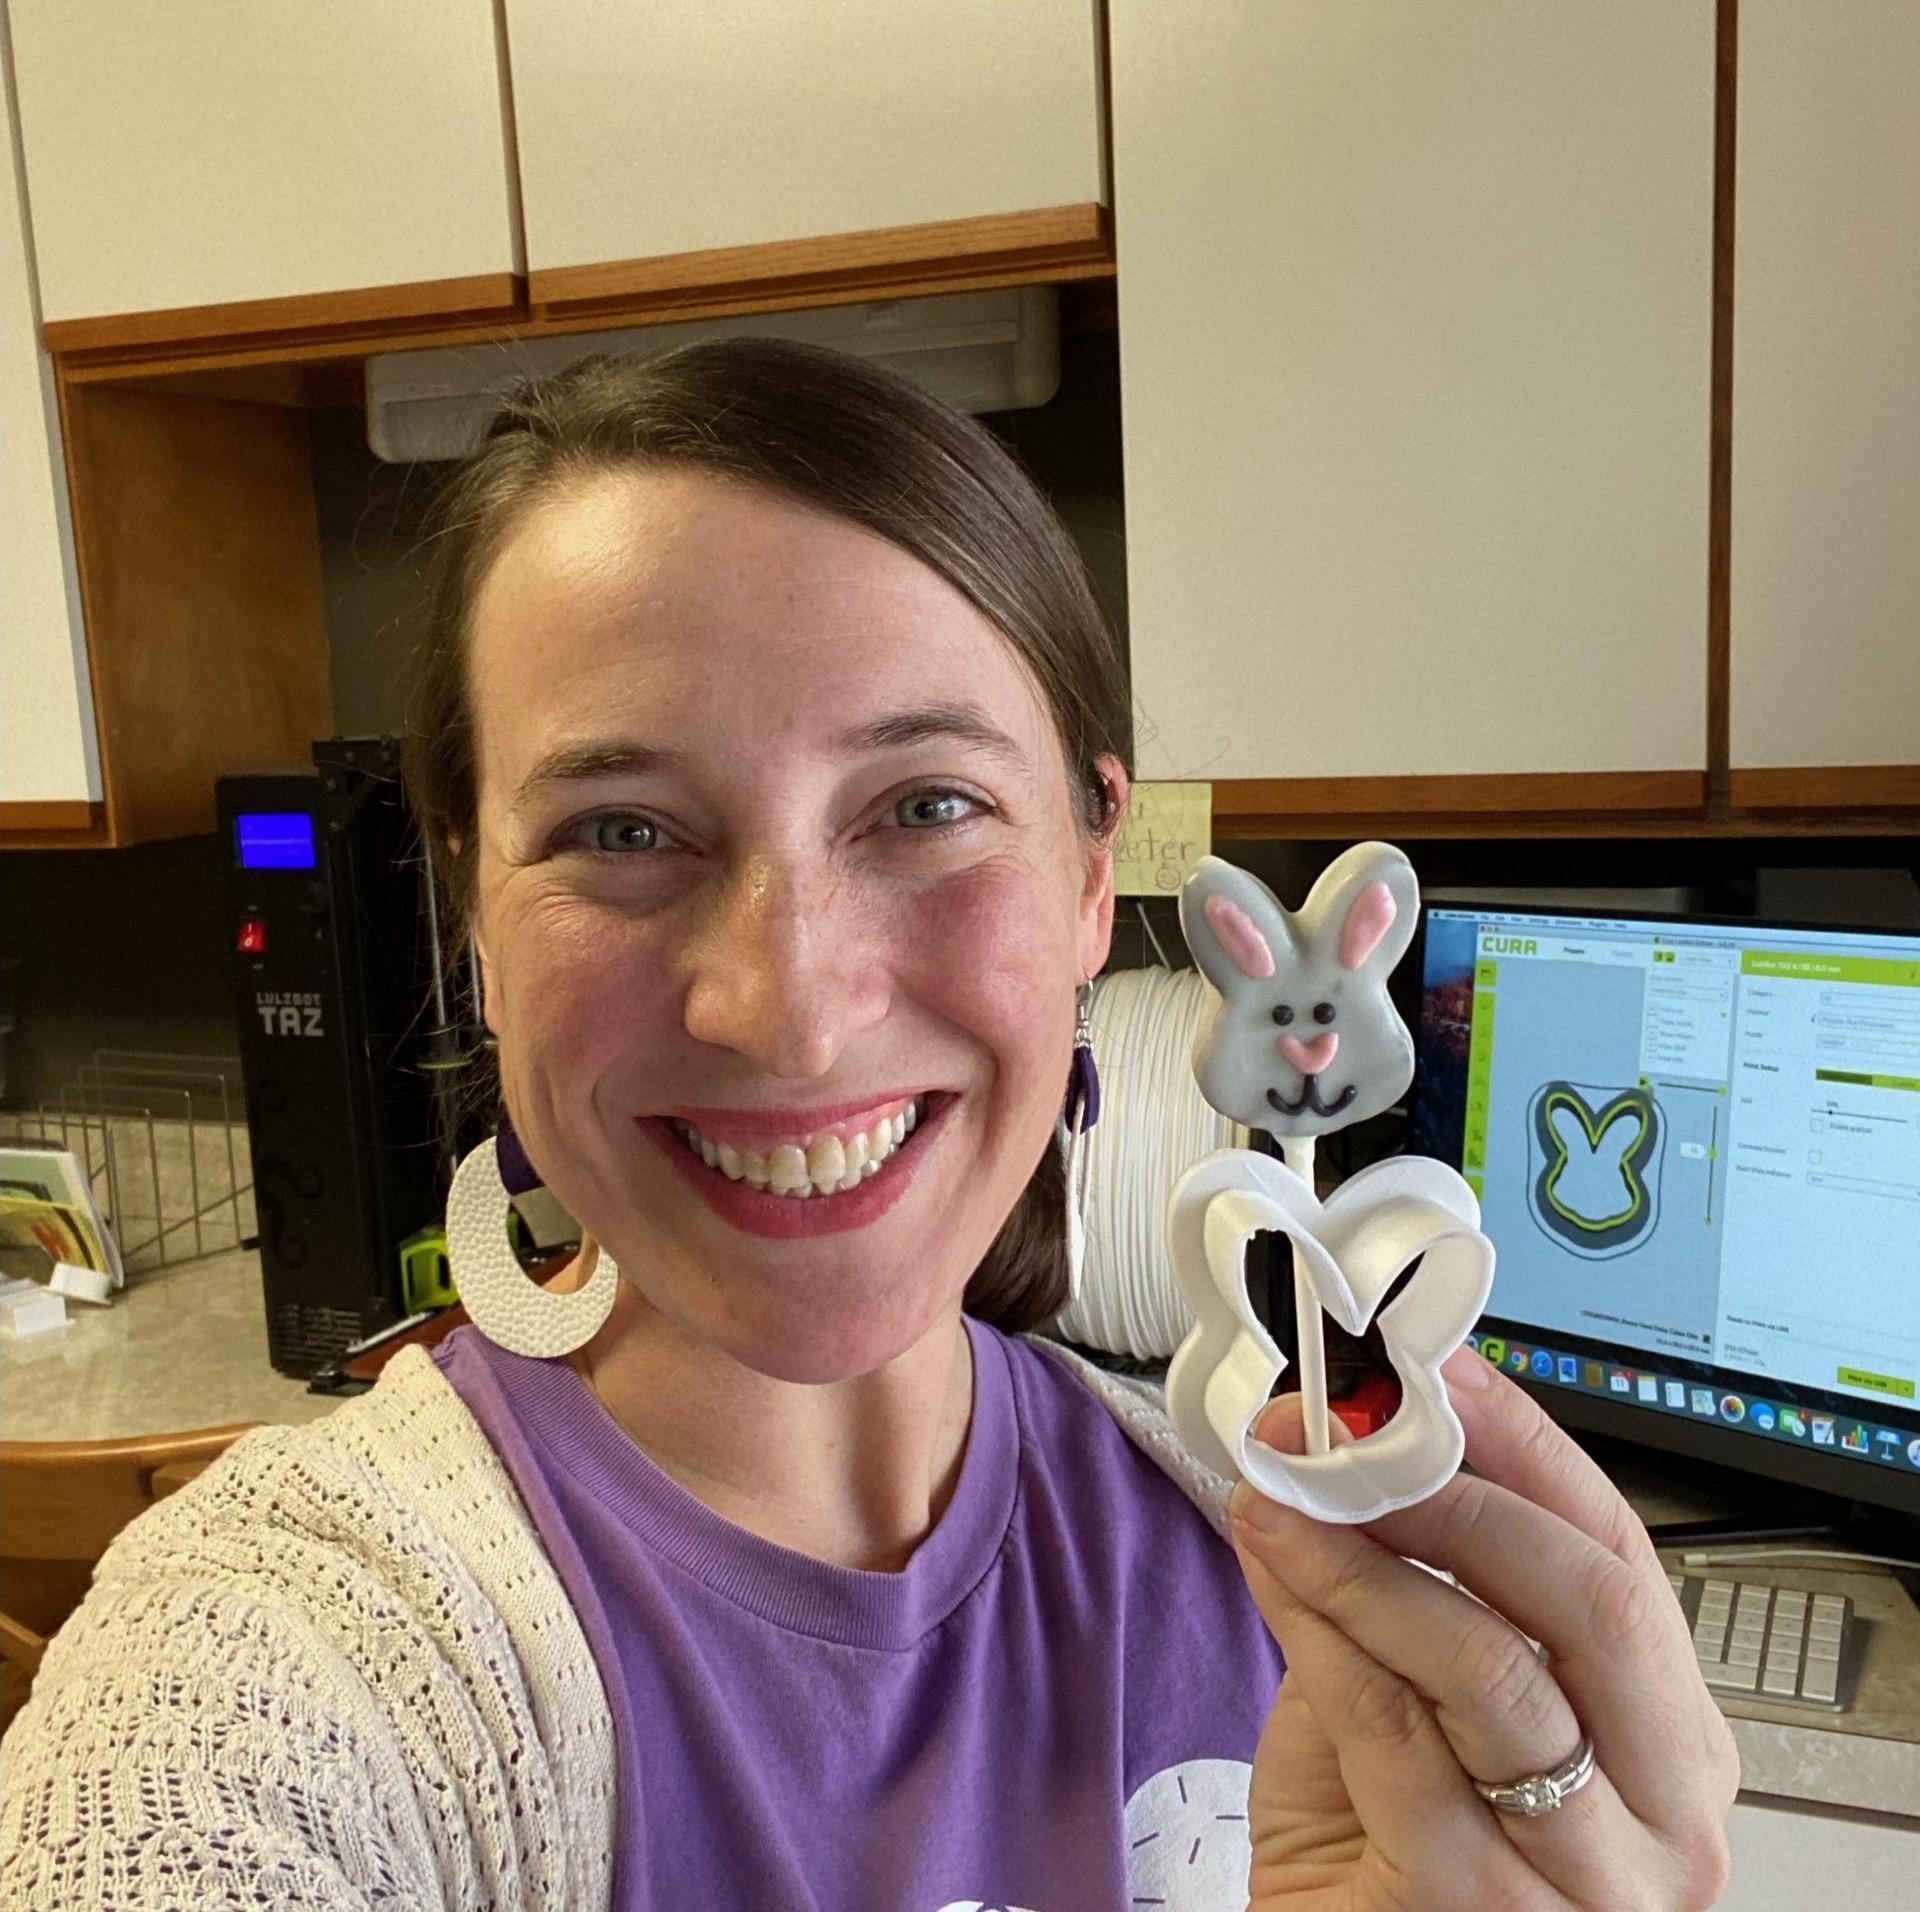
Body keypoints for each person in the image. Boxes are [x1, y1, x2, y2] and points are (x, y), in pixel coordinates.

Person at [0, 340, 1737, 1910]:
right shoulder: (297, 1648)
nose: (793, 1010)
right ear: (473, 914)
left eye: (925, 806)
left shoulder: (1284, 1560)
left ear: (1090, 870)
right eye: (621, 830)